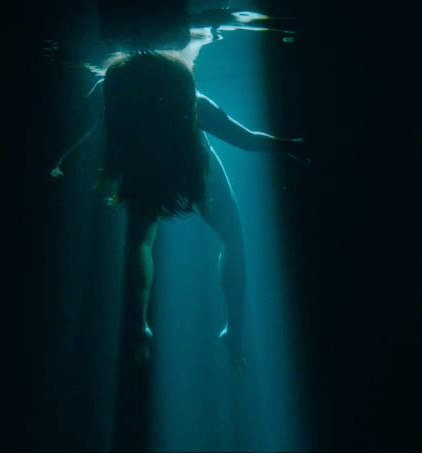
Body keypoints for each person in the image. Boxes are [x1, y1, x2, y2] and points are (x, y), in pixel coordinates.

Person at [51, 28, 305, 371]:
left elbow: (71, 133)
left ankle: (139, 325)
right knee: (233, 237)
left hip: (143, 170)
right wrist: (286, 144)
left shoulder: (109, 89)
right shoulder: (189, 97)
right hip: (194, 167)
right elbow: (244, 139)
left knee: (139, 243)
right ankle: (233, 328)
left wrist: (54, 160)